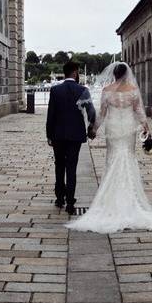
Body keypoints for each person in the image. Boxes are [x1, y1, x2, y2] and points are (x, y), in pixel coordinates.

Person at [67, 62, 152, 233]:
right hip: (128, 128)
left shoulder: (107, 91)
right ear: (126, 74)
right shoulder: (133, 90)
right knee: (128, 157)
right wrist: (146, 127)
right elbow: (138, 111)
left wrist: (93, 129)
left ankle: (110, 199)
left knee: (112, 159)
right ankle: (130, 198)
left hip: (113, 127)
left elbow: (102, 113)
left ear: (113, 74)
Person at [46, 61, 97, 215]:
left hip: (58, 135)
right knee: (72, 167)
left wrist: (49, 135)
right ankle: (70, 202)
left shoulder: (55, 90)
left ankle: (60, 198)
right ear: (74, 73)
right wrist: (91, 128)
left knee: (59, 165)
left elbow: (51, 115)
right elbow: (91, 112)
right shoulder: (83, 90)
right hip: (75, 135)